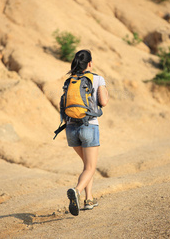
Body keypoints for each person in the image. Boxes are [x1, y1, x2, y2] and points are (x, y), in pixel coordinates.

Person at [66, 49, 109, 216]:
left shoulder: (70, 80)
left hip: (70, 129)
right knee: (90, 167)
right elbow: (103, 102)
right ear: (90, 63)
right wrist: (106, 94)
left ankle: (89, 199)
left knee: (86, 166)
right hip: (89, 126)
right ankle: (76, 191)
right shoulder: (97, 78)